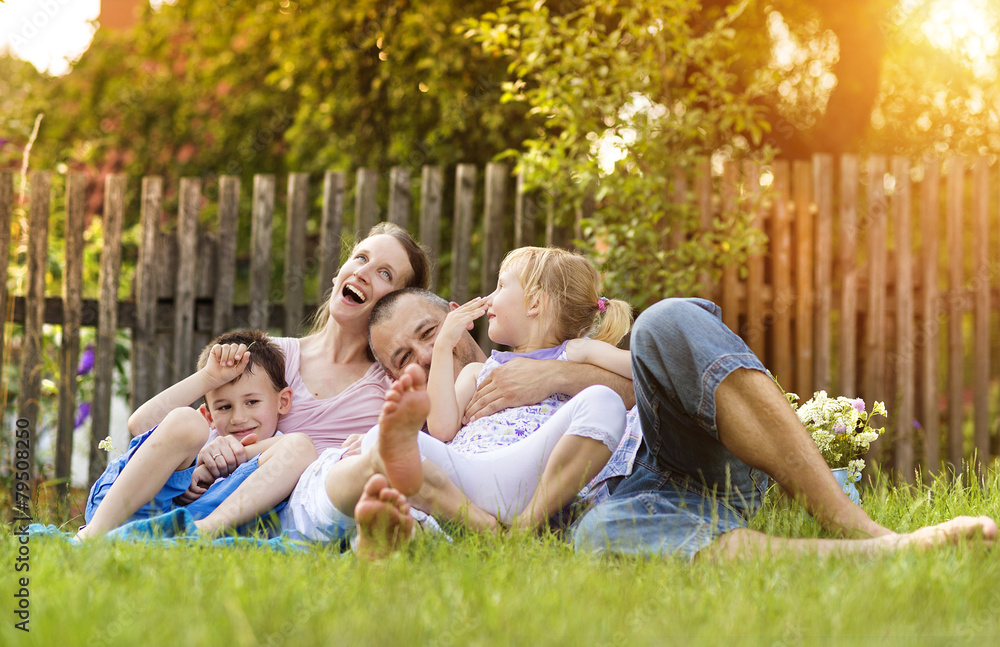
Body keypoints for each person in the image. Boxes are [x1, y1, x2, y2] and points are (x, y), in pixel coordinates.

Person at [361, 294, 999, 559]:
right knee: (599, 537)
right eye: (401, 359)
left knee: (664, 321)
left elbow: (635, 388)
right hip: (626, 508)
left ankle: (848, 520)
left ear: (460, 314)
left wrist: (552, 375)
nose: (422, 356)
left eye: (428, 333)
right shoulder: (434, 426)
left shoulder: (539, 351)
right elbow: (427, 490)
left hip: (673, 455)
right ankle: (877, 555)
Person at [170, 222, 433, 538]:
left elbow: (440, 436)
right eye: (361, 258)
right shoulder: (269, 356)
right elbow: (179, 429)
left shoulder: (393, 385)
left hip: (316, 515)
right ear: (338, 274)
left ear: (398, 305)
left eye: (385, 274)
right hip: (234, 499)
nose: (363, 273)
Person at [356, 246, 633, 530]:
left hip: (533, 471)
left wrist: (561, 374)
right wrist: (442, 346)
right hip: (471, 475)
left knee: (604, 400)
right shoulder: (478, 372)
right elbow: (441, 429)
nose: (488, 298)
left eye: (500, 286)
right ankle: (485, 528)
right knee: (378, 439)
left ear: (534, 303)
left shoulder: (574, 352)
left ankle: (526, 524)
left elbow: (642, 370)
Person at [77, 329, 313, 539]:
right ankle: (93, 534)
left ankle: (198, 533)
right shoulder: (200, 434)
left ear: (283, 401)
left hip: (198, 522)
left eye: (252, 402)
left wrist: (218, 464)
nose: (238, 418)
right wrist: (208, 378)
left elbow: (297, 449)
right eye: (224, 407)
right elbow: (140, 425)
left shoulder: (280, 450)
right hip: (128, 507)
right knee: (187, 420)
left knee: (301, 446)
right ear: (209, 415)